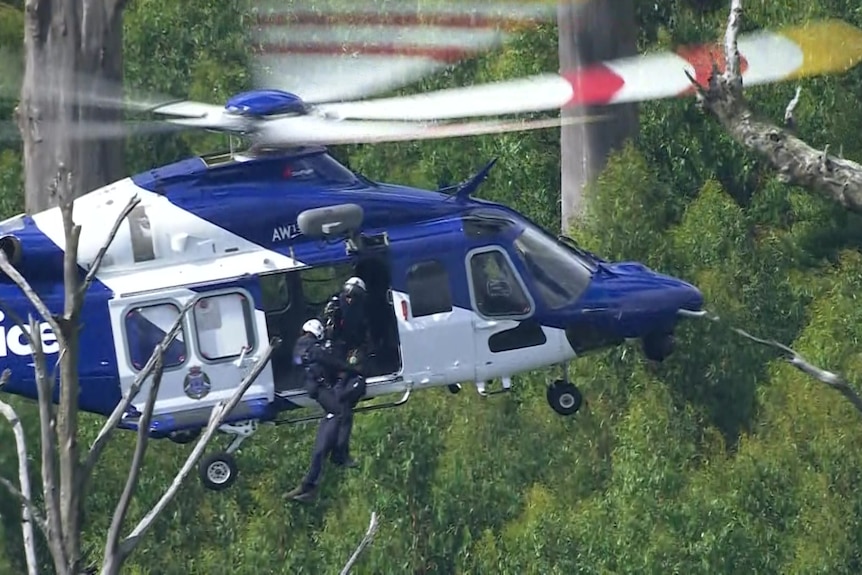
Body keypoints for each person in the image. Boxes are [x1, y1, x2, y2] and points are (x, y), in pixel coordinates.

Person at [286, 319, 361, 502]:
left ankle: (311, 482)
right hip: (318, 388)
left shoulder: (298, 347)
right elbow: (334, 363)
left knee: (331, 417)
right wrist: (353, 369)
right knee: (340, 413)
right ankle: (340, 454)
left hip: (310, 386)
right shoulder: (315, 348)